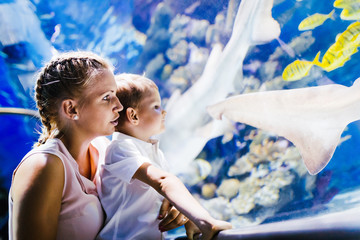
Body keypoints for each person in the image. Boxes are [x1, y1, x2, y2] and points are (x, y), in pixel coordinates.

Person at [96, 73, 232, 240]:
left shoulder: (152, 151)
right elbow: (163, 181)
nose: (164, 112)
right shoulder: (121, 148)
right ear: (134, 116)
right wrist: (205, 221)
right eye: (156, 107)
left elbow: (165, 195)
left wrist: (188, 219)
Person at [8, 51, 123, 240]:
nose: (118, 105)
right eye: (106, 97)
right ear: (71, 109)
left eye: (115, 95)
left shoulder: (103, 148)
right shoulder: (44, 166)